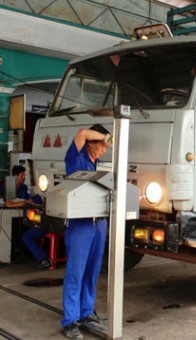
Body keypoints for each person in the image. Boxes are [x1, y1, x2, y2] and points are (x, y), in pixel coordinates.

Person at [61, 124, 112, 340]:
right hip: (80, 226)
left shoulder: (98, 165)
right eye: (102, 145)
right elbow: (82, 132)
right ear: (91, 142)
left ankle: (86, 312)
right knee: (75, 272)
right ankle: (70, 320)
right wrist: (108, 135)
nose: (105, 149)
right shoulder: (76, 159)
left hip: (98, 224)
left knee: (92, 272)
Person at [4, 166, 49, 269]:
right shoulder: (8, 186)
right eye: (22, 175)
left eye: (24, 175)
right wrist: (24, 202)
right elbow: (9, 204)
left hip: (41, 221)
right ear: (15, 176)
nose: (24, 177)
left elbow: (30, 201)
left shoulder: (24, 188)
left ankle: (43, 259)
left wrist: (27, 202)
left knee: (26, 235)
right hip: (34, 218)